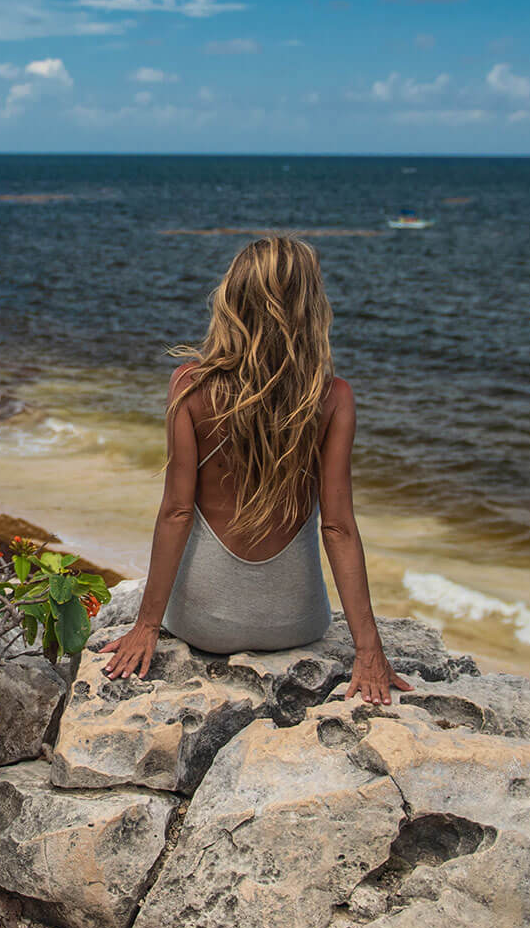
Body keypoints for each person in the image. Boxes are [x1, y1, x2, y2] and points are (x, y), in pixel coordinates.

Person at [98, 235, 409, 704]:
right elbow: (339, 527)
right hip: (296, 622)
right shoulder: (333, 397)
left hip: (205, 623)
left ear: (233, 300)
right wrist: (369, 651)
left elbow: (177, 512)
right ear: (310, 307)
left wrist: (146, 627)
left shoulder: (190, 384)